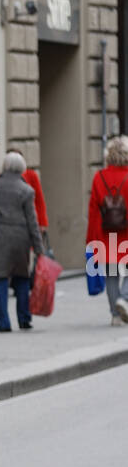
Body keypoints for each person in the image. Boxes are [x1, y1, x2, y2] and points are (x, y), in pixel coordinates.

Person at [0, 150, 44, 332]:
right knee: (22, 278)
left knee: (0, 278)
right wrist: (39, 248)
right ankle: (24, 318)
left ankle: (3, 323)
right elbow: (32, 221)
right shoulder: (26, 190)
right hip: (20, 238)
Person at [85, 135, 128, 326]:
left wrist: (91, 239)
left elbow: (93, 210)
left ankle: (115, 316)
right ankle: (124, 299)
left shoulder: (99, 177)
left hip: (106, 234)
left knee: (111, 273)